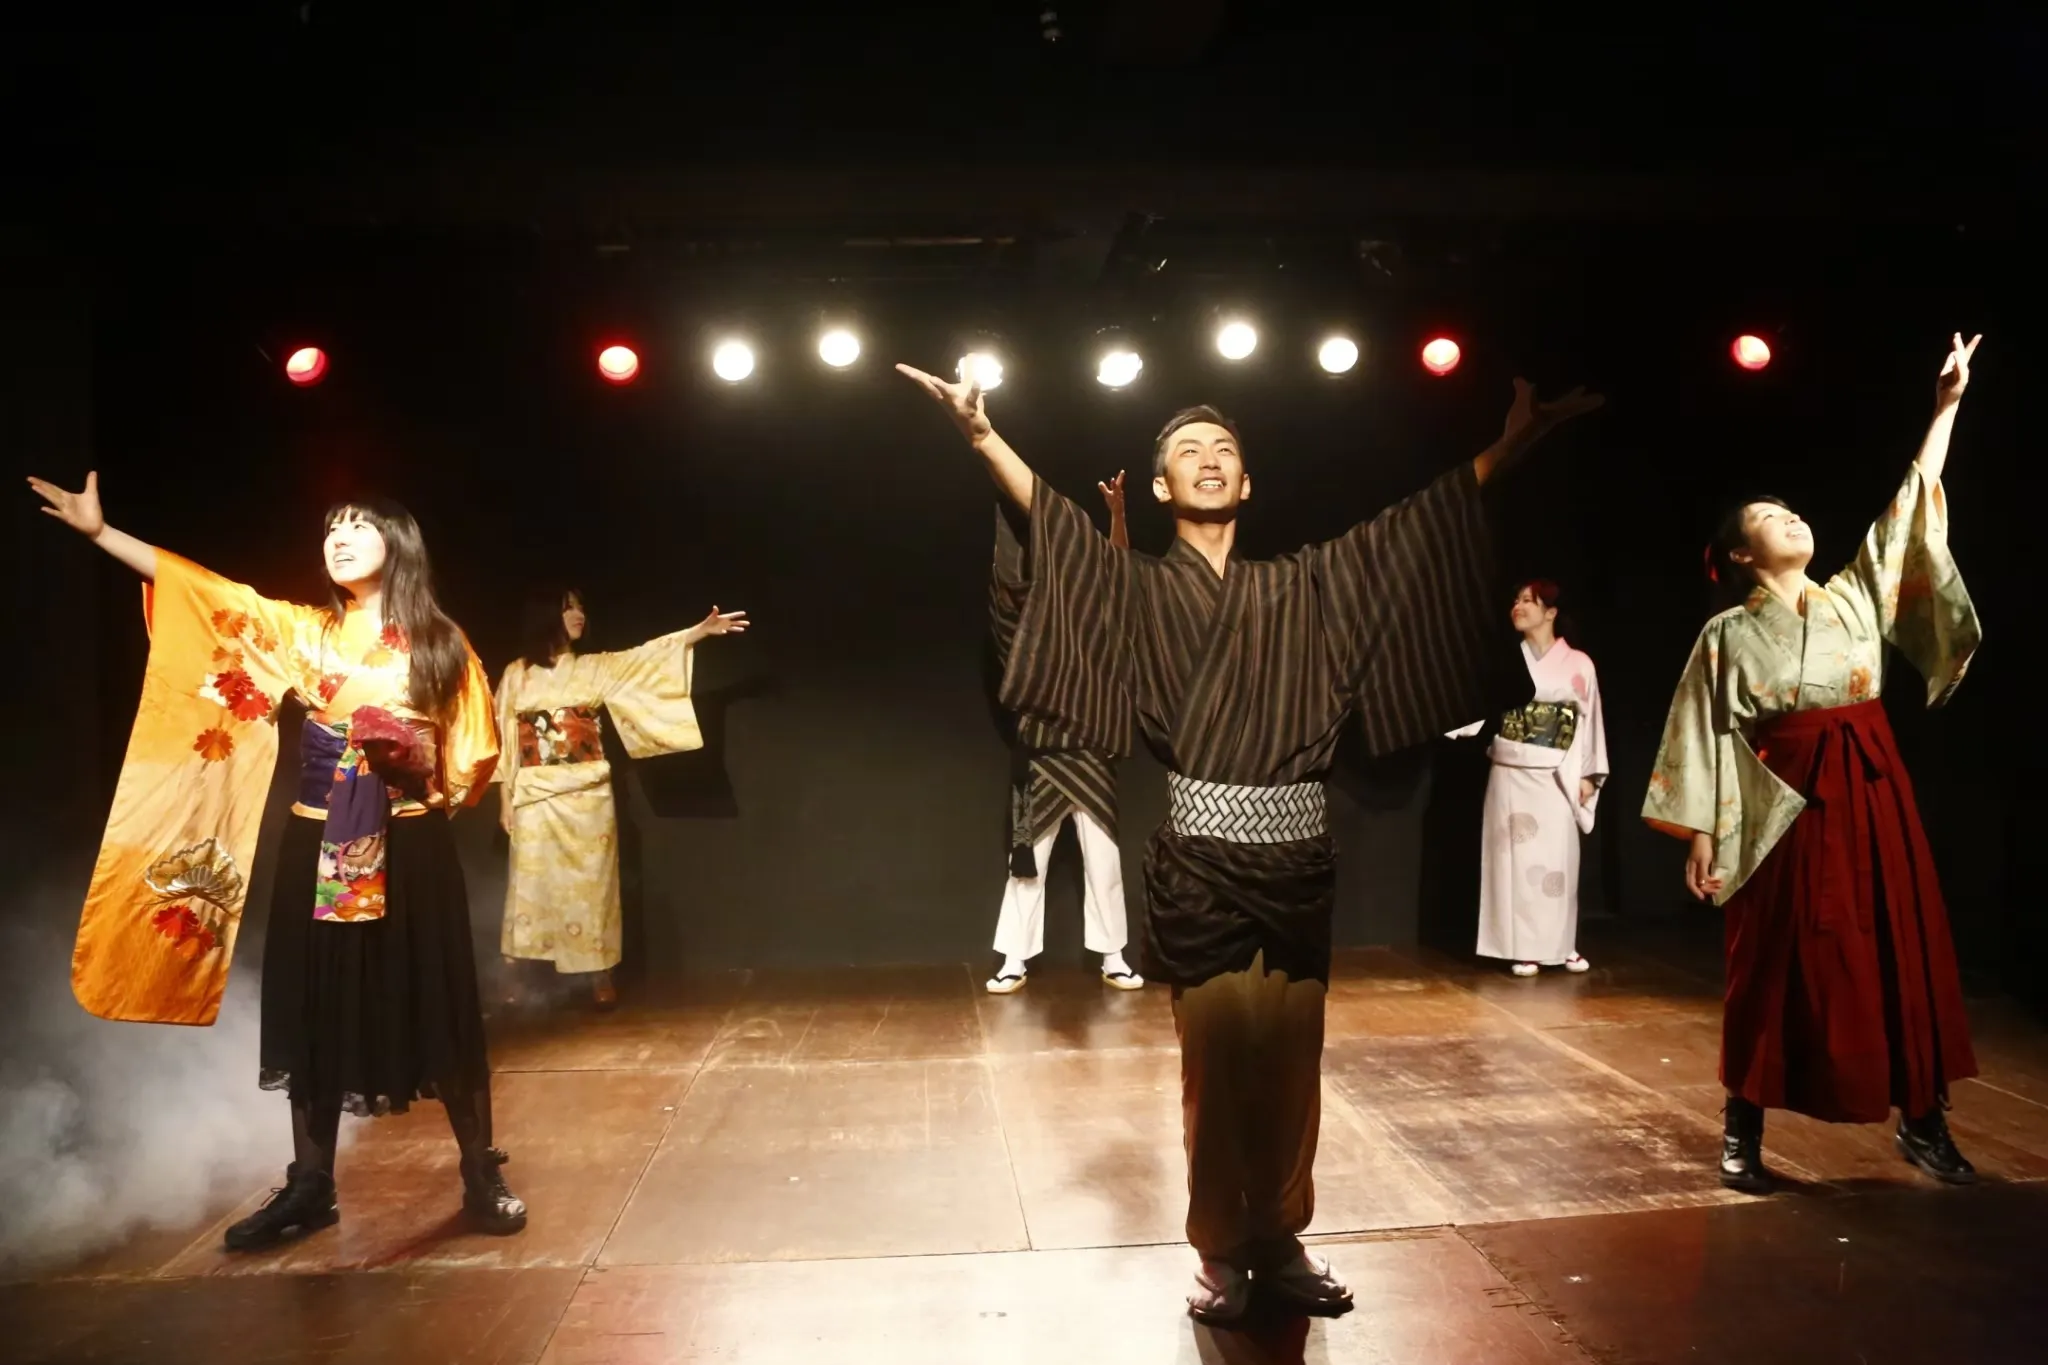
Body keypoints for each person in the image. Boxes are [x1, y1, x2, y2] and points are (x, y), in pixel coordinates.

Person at [897, 360, 1601, 1323]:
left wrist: (1513, 443)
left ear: (1248, 480)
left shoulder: (1305, 583)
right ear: (1160, 487)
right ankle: (1221, 1248)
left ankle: (1281, 1237)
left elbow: (1410, 529)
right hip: (1204, 864)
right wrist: (983, 436)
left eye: (1224, 448)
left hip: (1298, 860)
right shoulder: (1140, 588)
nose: (1209, 458)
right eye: (1188, 450)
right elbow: (1057, 528)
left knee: (1292, 1069)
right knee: (1219, 1070)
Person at [25, 473, 527, 1247]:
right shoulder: (304, 631)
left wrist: (412, 765)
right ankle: (311, 1183)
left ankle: (479, 1169)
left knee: (436, 1001)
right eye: (331, 528)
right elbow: (209, 595)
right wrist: (101, 534)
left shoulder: (441, 643)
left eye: (358, 526)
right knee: (315, 1005)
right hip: (320, 841)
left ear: (399, 544)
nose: (339, 538)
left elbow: (472, 756)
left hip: (409, 844)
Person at [1643, 333, 1984, 1194]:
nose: (1791, 518)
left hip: (1869, 784)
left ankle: (1924, 1117)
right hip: (1780, 802)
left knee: (1897, 941)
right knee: (1770, 959)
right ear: (1743, 555)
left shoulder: (1853, 596)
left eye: (1793, 510)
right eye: (1769, 517)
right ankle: (1742, 1124)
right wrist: (1701, 834)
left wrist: (1945, 407)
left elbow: (1911, 506)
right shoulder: (1727, 633)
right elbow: (1704, 730)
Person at [496, 588, 747, 1007]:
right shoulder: (517, 673)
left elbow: (645, 659)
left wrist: (697, 633)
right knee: (531, 886)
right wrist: (505, 801)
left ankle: (599, 973)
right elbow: (505, 737)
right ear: (545, 615)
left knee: (592, 886)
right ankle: (518, 973)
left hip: (587, 793)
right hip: (537, 792)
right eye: (568, 607)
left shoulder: (595, 668)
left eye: (580, 606)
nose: (579, 613)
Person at [986, 471, 1140, 994]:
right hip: (1040, 752)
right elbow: (1007, 583)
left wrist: (1117, 516)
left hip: (1090, 749)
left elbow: (1119, 569)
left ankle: (1114, 955)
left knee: (1104, 858)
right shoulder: (1029, 612)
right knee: (1026, 861)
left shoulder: (1099, 612)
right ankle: (1013, 958)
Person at [1451, 580, 1609, 976]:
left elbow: (1590, 721)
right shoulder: (1505, 660)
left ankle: (1562, 945)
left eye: (1528, 601)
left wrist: (1589, 774)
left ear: (1551, 612)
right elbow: (1476, 703)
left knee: (1557, 862)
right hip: (1510, 770)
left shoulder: (1579, 663)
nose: (1518, 606)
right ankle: (1522, 947)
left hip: (1556, 773)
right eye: (1516, 600)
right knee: (1513, 863)